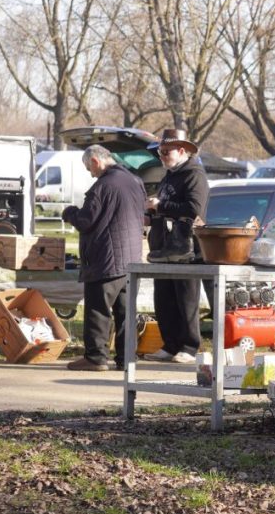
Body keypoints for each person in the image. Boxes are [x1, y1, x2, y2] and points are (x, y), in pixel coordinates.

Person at [61, 145, 146, 372]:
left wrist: (70, 213)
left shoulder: (102, 186)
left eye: (88, 168)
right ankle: (127, 359)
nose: (90, 173)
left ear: (96, 162)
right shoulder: (135, 182)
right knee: (126, 313)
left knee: (98, 310)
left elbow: (86, 220)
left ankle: (96, 358)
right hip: (132, 259)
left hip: (106, 259)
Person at [143, 127, 209, 364]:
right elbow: (166, 207)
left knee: (186, 301)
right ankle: (170, 345)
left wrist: (160, 206)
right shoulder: (169, 175)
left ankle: (189, 348)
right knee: (164, 300)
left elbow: (194, 210)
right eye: (160, 152)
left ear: (181, 151)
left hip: (187, 250)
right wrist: (150, 216)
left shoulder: (194, 175)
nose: (162, 156)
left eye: (166, 152)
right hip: (163, 248)